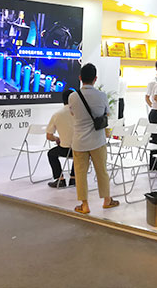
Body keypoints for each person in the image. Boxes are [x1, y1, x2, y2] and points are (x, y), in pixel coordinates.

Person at [69, 63, 118, 214]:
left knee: (80, 174)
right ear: (95, 79)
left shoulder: (72, 97)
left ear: (80, 78)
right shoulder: (102, 96)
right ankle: (107, 200)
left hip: (79, 142)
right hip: (98, 140)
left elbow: (72, 114)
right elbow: (107, 114)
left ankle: (84, 205)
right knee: (102, 171)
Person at [46, 89, 75, 188]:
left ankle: (60, 180)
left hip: (64, 149)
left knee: (51, 154)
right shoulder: (80, 113)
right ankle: (73, 178)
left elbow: (49, 136)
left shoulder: (57, 114)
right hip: (80, 149)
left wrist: (57, 139)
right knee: (79, 152)